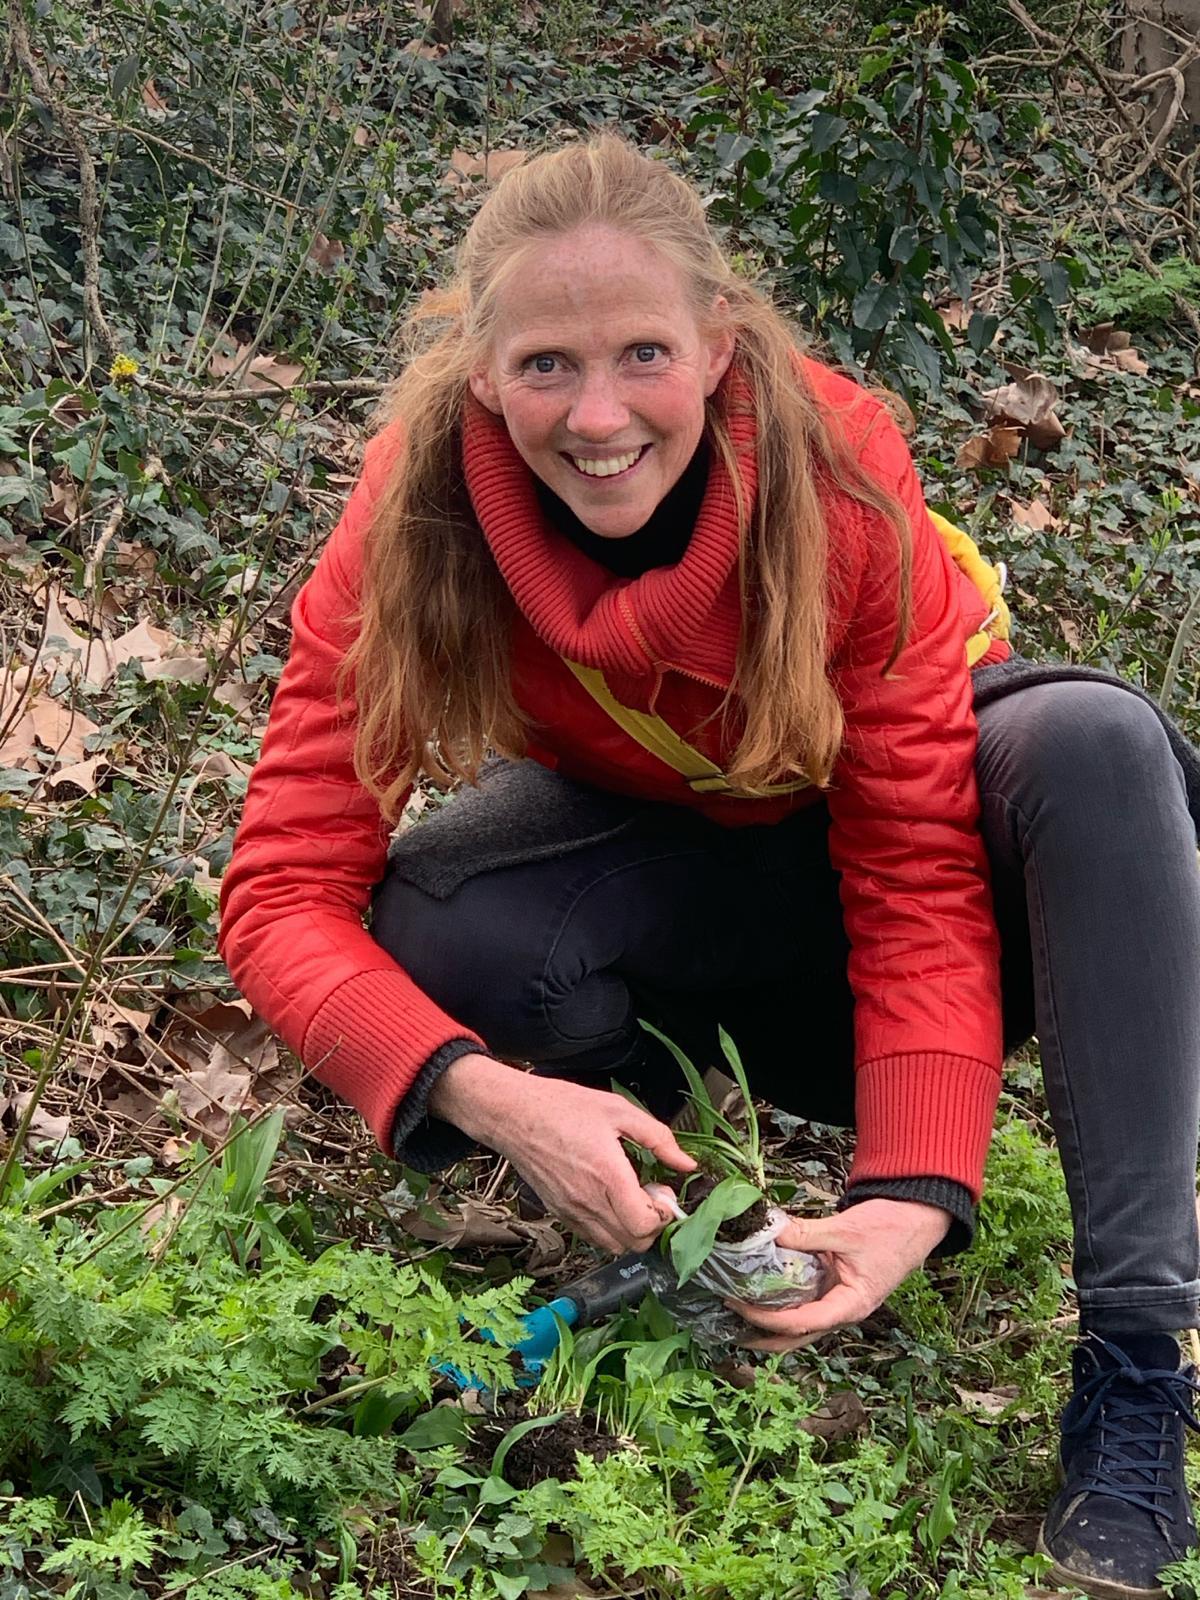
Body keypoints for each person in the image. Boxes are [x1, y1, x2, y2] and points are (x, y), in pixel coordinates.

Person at [218, 132, 1200, 1600]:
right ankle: (663, 1191)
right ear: (480, 370)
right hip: (694, 875)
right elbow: (282, 889)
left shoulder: (838, 472)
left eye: (643, 354)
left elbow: (915, 870)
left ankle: (1136, 1359)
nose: (597, 414)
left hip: (916, 896)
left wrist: (916, 1188)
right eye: (546, 365)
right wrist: (491, 1096)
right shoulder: (412, 518)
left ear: (721, 343)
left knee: (1095, 744)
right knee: (445, 920)